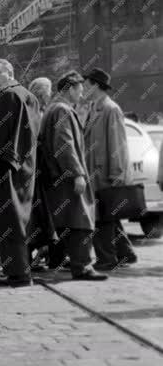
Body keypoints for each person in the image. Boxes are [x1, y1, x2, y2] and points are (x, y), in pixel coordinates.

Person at [39, 71, 107, 281]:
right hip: (67, 179)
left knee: (65, 221)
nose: (82, 93)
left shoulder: (54, 108)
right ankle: (82, 266)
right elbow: (65, 144)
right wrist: (77, 173)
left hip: (56, 179)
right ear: (69, 88)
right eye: (79, 89)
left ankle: (58, 259)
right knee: (81, 221)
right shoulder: (63, 110)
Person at [0, 59, 40, 287]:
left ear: (10, 73)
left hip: (9, 168)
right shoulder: (27, 95)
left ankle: (17, 273)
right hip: (25, 167)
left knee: (9, 220)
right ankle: (19, 268)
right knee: (22, 218)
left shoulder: (7, 96)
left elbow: (4, 135)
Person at [83, 68, 137, 270]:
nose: (83, 88)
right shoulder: (94, 107)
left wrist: (116, 173)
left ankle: (107, 259)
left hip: (105, 173)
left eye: (86, 84)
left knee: (102, 218)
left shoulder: (110, 109)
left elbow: (118, 143)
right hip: (95, 172)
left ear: (96, 85)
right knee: (107, 215)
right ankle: (125, 254)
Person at [27, 77, 56, 269]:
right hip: (39, 173)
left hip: (42, 173)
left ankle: (45, 251)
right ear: (43, 94)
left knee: (43, 216)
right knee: (39, 216)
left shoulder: (39, 112)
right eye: (49, 92)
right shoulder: (36, 114)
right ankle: (39, 251)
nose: (50, 95)